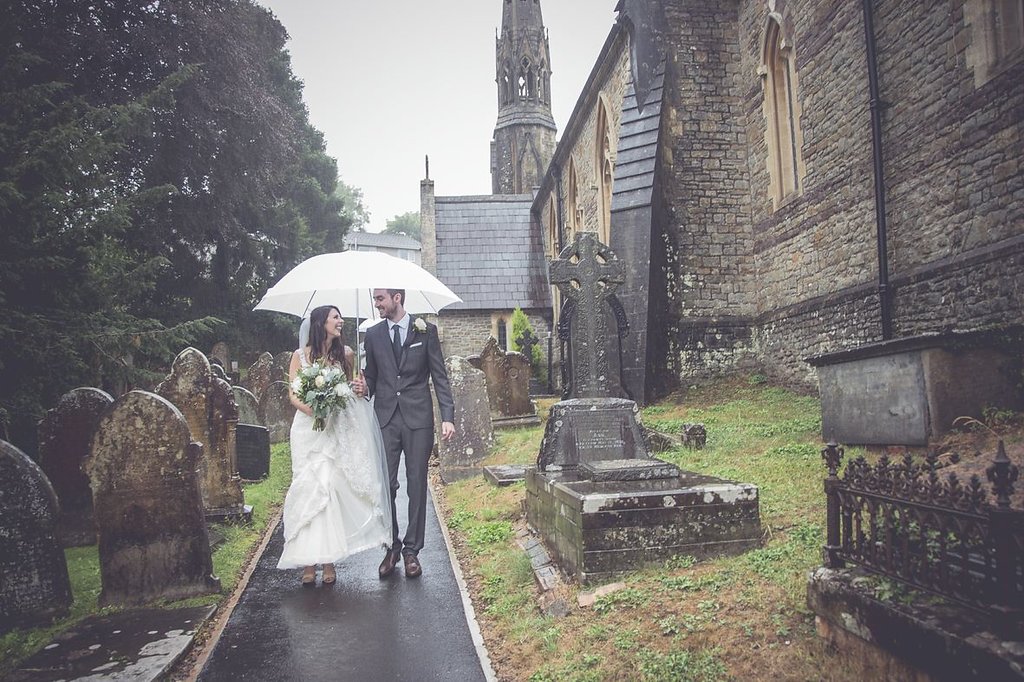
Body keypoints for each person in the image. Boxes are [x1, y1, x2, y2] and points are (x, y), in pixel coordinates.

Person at [277, 305, 392, 585]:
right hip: (307, 430)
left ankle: (327, 561)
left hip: (334, 430)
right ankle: (307, 562)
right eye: (335, 317)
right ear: (321, 323)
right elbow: (293, 394)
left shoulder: (347, 354)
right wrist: (314, 411)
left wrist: (359, 388)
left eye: (340, 317)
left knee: (328, 489)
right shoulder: (299, 356)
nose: (341, 322)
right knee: (307, 489)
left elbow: (350, 390)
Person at [351, 289, 455, 579]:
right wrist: (364, 388)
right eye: (375, 299)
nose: (376, 304)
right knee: (386, 485)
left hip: (418, 418)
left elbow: (440, 376)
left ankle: (412, 551)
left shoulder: (426, 331)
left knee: (417, 483)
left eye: (380, 298)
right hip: (385, 419)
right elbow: (371, 377)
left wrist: (447, 417)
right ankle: (391, 546)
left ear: (397, 298)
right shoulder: (372, 335)